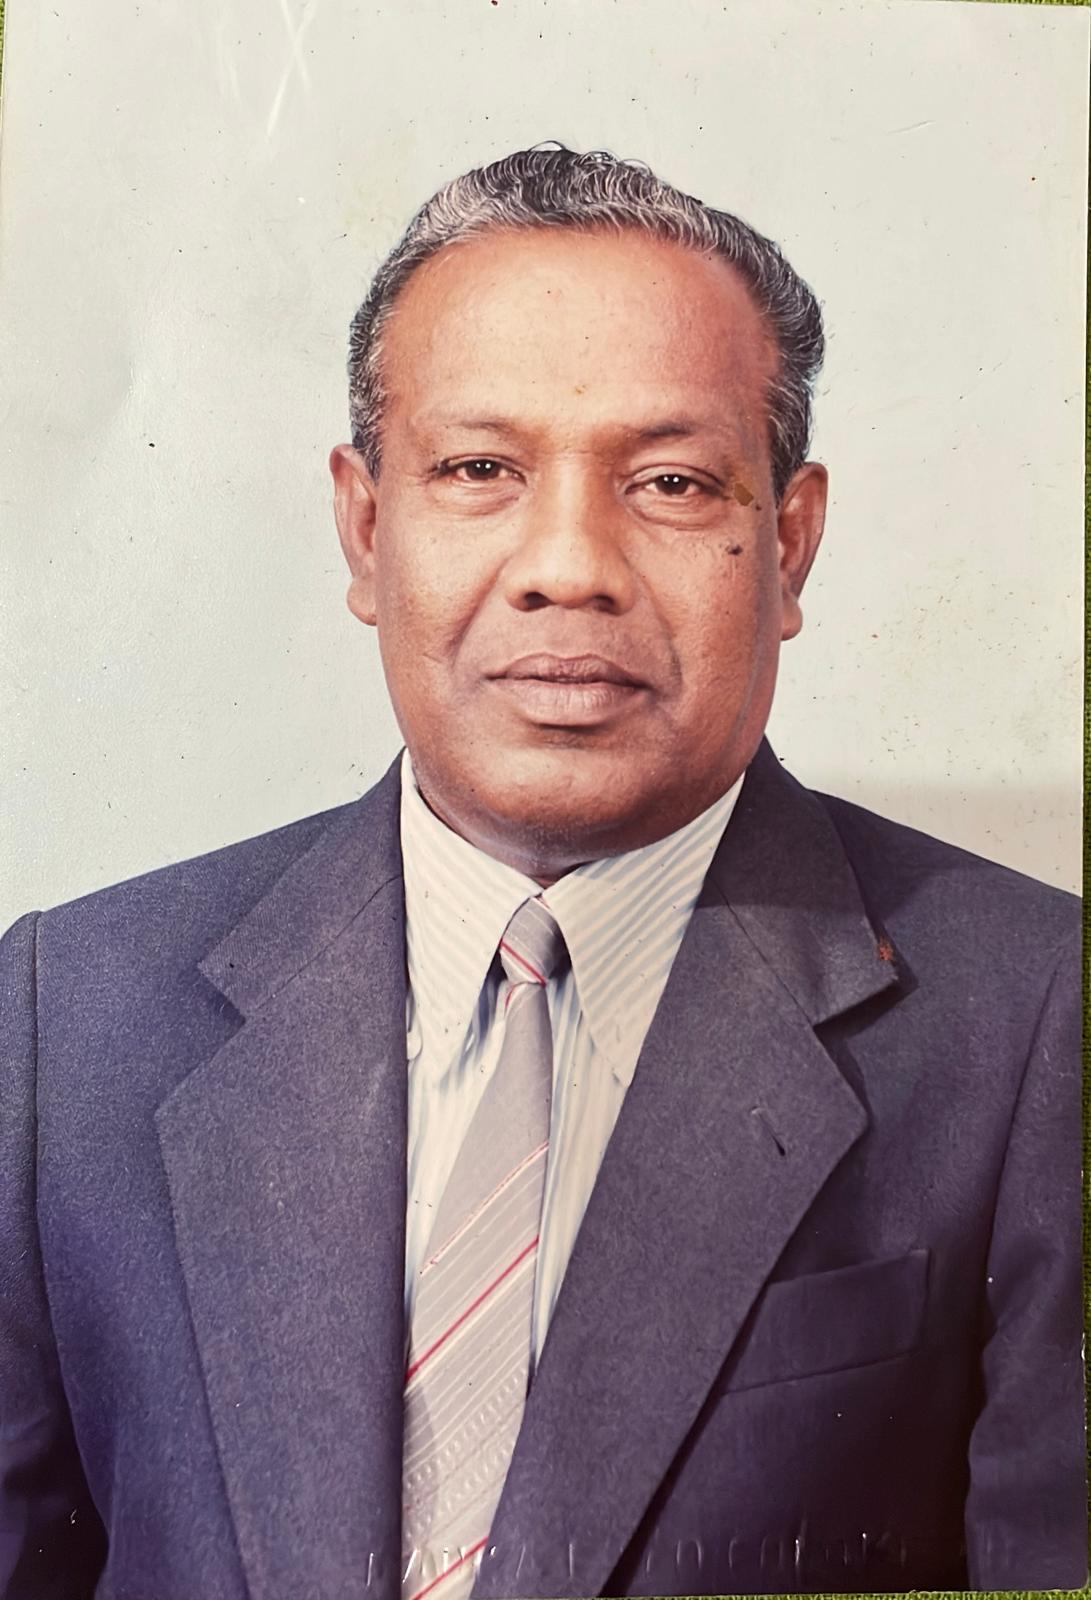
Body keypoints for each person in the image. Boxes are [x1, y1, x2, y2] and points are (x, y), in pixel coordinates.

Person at [0, 145, 1083, 1600]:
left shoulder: (1039, 1022)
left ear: (791, 542)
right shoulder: (68, 1022)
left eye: (671, 481)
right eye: (479, 471)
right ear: (366, 527)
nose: (569, 565)